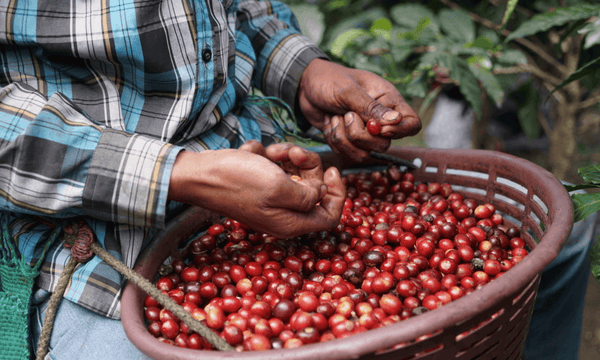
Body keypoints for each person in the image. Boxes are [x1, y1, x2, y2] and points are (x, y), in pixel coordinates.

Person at [0, 1, 420, 359]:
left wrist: (304, 73)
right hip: (97, 256)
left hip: (264, 182)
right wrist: (181, 174)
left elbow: (234, 10)